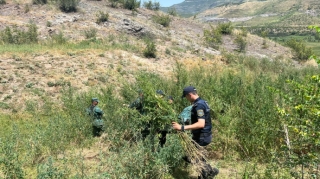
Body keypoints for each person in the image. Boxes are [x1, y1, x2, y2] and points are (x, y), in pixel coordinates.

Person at [172, 86, 219, 179]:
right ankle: (210, 172)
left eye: (186, 97)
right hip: (204, 135)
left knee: (194, 157)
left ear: (189, 95)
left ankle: (206, 174)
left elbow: (201, 124)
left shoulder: (199, 106)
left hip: (202, 136)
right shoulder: (203, 102)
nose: (186, 99)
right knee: (196, 156)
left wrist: (182, 127)